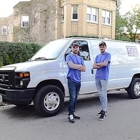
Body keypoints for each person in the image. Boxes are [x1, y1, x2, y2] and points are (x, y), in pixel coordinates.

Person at [66, 42, 86, 123]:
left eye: (77, 47)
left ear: (78, 49)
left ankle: (73, 112)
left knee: (76, 98)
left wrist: (76, 66)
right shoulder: (69, 56)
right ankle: (70, 114)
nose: (75, 48)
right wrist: (79, 66)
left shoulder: (80, 58)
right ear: (72, 48)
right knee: (72, 98)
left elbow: (84, 69)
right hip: (71, 80)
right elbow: (71, 66)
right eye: (74, 47)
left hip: (78, 81)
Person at [93, 41, 111, 121]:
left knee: (104, 94)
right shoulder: (97, 56)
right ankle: (103, 108)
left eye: (103, 46)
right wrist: (100, 64)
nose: (102, 47)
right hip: (97, 77)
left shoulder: (108, 55)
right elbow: (93, 66)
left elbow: (105, 64)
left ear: (105, 47)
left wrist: (98, 65)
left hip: (104, 77)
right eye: (100, 46)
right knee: (100, 94)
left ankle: (105, 111)